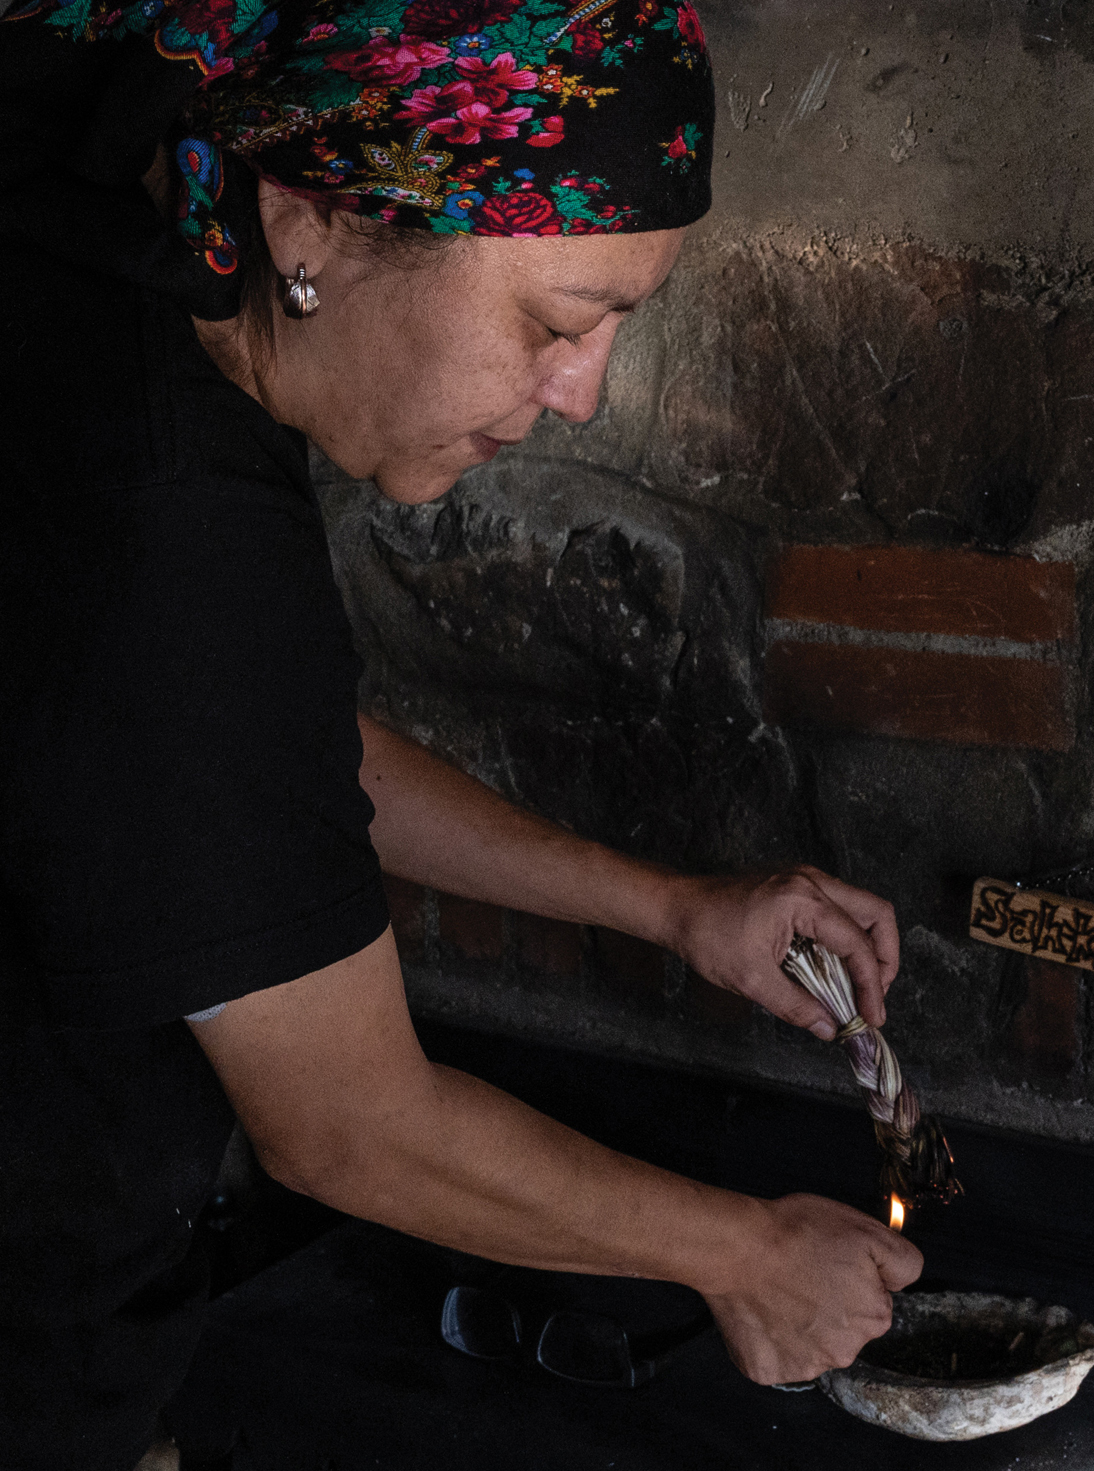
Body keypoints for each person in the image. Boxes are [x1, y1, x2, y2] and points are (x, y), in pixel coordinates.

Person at [0, 2, 922, 1467]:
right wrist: (739, 1257)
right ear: (309, 226)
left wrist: (670, 907)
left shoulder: (105, 321)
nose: (583, 393)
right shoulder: (168, 527)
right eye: (554, 325)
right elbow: (347, 1126)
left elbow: (247, 758)